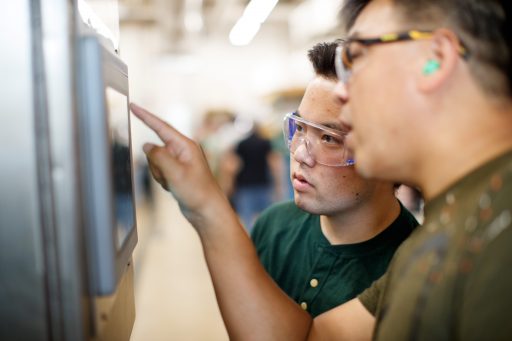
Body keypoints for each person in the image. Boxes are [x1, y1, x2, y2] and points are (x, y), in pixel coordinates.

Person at [130, 0, 512, 339]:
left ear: (437, 59)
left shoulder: (495, 243)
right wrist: (205, 206)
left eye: (359, 58)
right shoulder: (447, 229)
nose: (345, 93)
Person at [251, 41, 418, 317]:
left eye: (328, 138)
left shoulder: (414, 270)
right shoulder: (273, 228)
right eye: (300, 128)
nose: (301, 153)